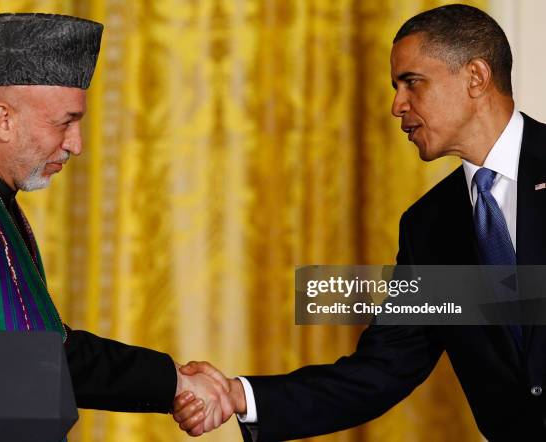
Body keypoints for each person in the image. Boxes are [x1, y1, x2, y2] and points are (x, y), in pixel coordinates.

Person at [172, 4, 546, 441]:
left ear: (476, 77)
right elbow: (384, 369)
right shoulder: (429, 226)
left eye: (412, 82)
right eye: (395, 87)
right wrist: (241, 395)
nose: (396, 105)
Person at [0, 12, 232, 429]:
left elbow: (41, 348)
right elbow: (23, 366)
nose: (76, 145)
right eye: (66, 122)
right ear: (4, 120)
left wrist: (170, 380)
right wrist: (173, 383)